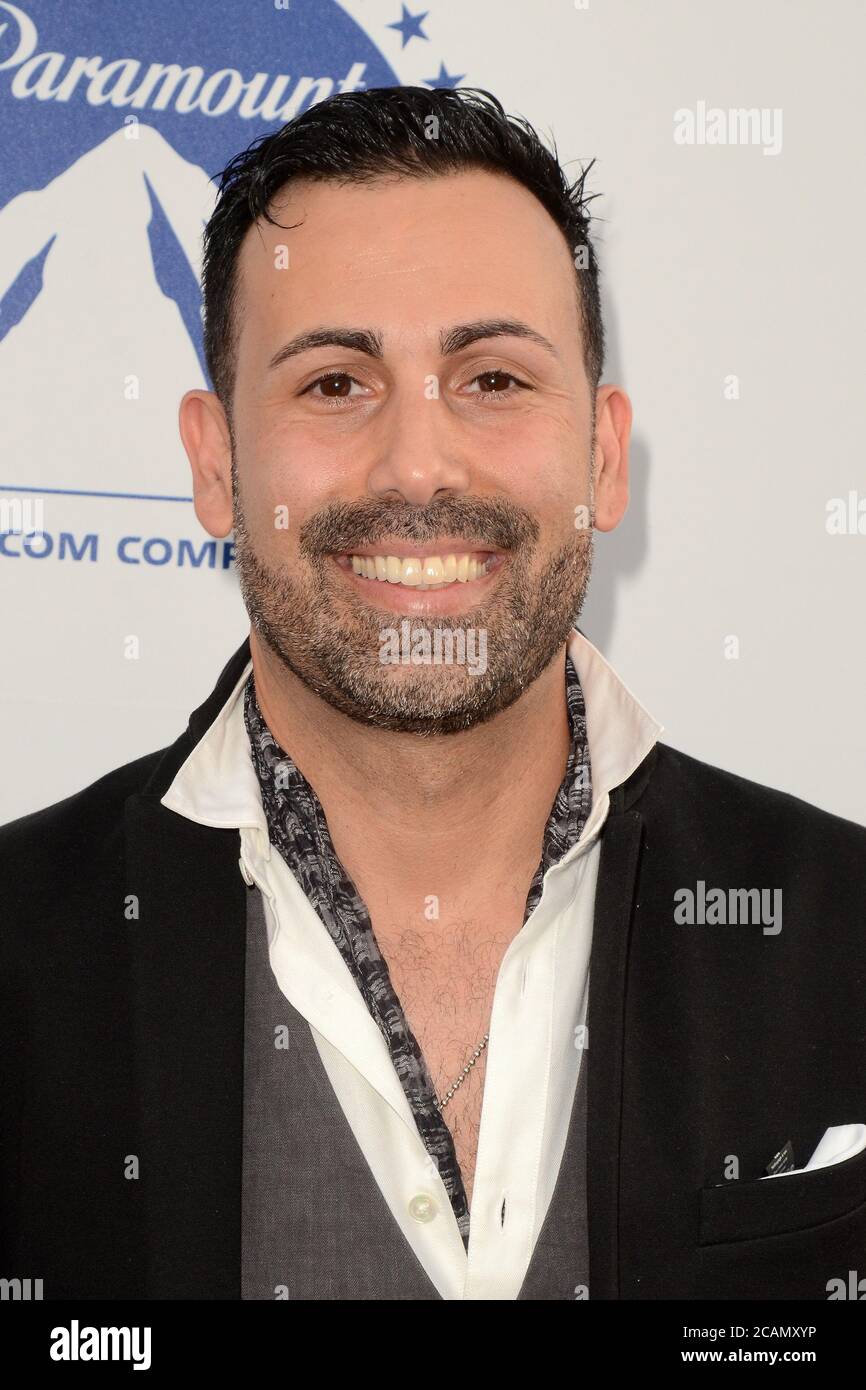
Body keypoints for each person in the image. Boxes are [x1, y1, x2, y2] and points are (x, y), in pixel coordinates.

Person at [2, 86, 865, 1302]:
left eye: (494, 379)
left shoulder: (842, 923)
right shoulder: (24, 950)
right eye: (335, 384)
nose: (417, 463)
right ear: (215, 464)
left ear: (603, 458)